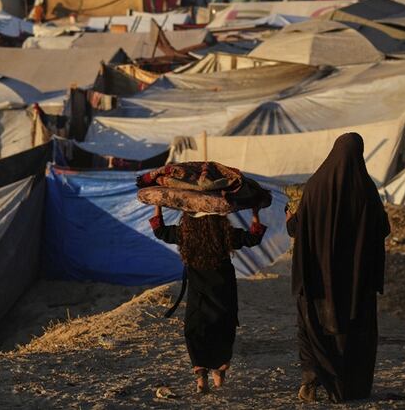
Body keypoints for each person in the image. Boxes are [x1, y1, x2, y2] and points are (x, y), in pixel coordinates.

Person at [287, 133, 390, 403]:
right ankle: (349, 388)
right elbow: (383, 228)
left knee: (312, 328)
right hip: (356, 285)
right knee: (353, 336)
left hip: (317, 282)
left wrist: (289, 219)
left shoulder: (315, 187)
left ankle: (310, 378)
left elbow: (297, 228)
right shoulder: (366, 190)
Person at [149, 205, 267, 394]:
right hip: (224, 290)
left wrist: (158, 205)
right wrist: (255, 211)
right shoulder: (225, 233)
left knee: (196, 329)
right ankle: (219, 370)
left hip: (199, 292)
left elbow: (160, 231)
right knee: (223, 327)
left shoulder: (185, 234)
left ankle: (200, 373)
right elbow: (253, 237)